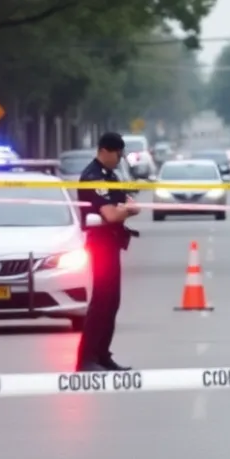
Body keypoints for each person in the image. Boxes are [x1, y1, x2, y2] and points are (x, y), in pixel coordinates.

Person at [76, 132, 141, 371]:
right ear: (105, 150)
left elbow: (126, 200)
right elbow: (112, 214)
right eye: (117, 154)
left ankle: (102, 354)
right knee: (101, 301)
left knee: (112, 301)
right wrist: (129, 211)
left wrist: (127, 207)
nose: (119, 158)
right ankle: (87, 358)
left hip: (111, 243)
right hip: (101, 244)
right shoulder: (93, 177)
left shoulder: (110, 176)